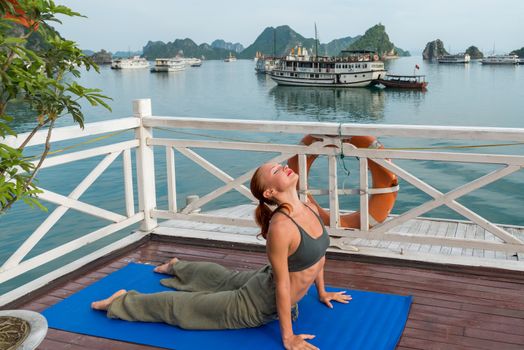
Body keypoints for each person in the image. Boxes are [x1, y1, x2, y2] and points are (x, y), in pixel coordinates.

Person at [91, 162, 351, 350]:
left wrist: (322, 292)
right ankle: (122, 301)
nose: (284, 167)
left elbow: (319, 257)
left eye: (281, 166)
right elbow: (283, 286)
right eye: (276, 171)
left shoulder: (308, 206)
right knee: (186, 309)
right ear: (269, 193)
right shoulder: (281, 227)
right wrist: (288, 337)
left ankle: (177, 266)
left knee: (226, 279)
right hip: (257, 305)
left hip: (264, 282)